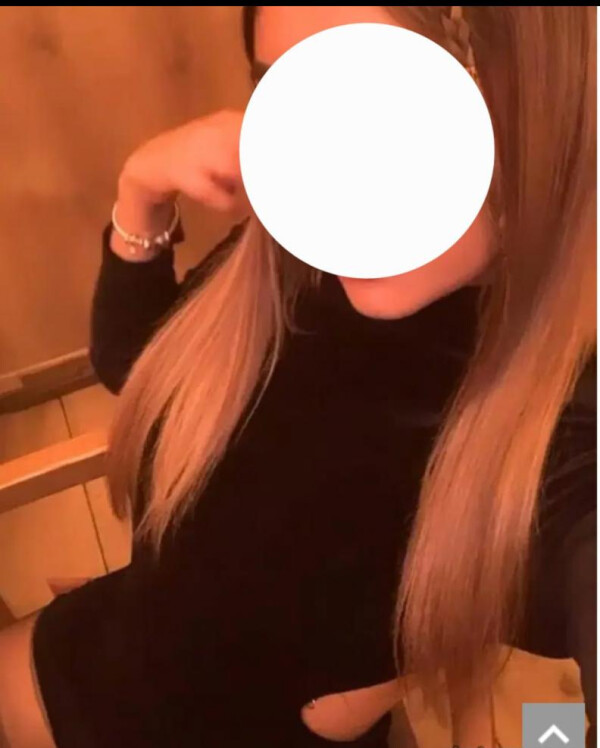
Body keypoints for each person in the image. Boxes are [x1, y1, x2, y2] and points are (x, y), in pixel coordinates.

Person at [0, 6, 596, 748]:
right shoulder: (292, 258)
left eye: (386, 97)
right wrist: (142, 194)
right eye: (295, 93)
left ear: (537, 94)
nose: (329, 167)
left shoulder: (559, 430)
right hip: (110, 648)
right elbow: (138, 362)